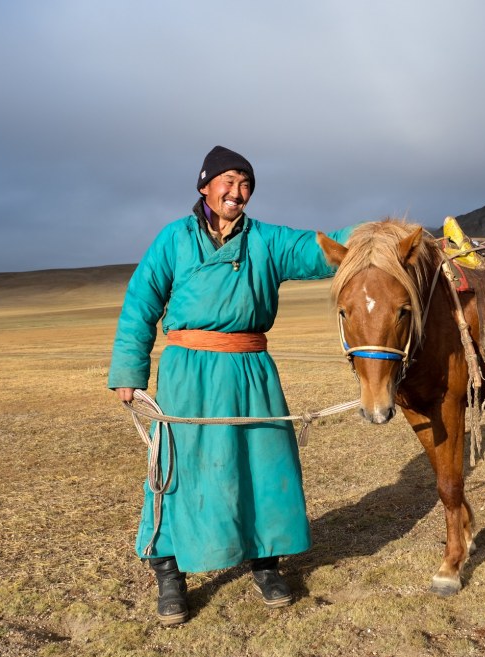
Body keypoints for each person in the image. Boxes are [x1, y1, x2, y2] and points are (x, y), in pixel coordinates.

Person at [109, 145, 356, 625]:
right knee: (180, 465)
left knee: (264, 465)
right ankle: (170, 571)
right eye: (228, 181)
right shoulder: (174, 239)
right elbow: (141, 301)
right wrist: (128, 371)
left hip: (251, 368)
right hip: (188, 371)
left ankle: (265, 563)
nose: (237, 192)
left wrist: (372, 235)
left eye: (246, 184)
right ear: (204, 186)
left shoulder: (265, 240)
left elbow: (319, 248)